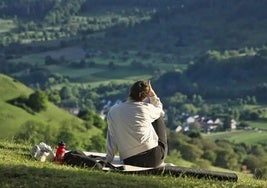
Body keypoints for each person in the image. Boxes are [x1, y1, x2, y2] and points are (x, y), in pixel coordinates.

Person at [105, 80, 167, 167]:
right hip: (153, 159)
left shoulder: (113, 110)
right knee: (158, 117)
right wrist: (152, 95)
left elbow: (112, 136)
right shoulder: (146, 109)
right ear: (145, 97)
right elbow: (160, 110)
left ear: (130, 92)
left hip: (130, 160)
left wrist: (109, 158)